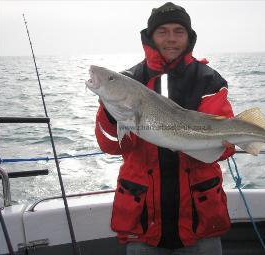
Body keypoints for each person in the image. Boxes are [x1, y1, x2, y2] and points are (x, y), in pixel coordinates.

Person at [95, 2, 235, 254]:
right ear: (151, 36)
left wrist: (228, 141)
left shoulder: (209, 79)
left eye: (178, 31)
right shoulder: (130, 81)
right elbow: (111, 145)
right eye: (163, 31)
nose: (171, 39)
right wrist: (110, 112)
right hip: (143, 219)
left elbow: (222, 148)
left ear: (189, 37)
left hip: (199, 218)